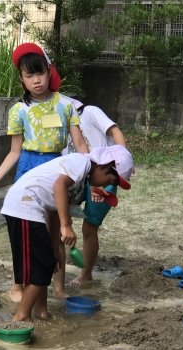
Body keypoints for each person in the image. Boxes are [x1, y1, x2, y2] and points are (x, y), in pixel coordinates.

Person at [0, 42, 89, 302]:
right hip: (27, 169)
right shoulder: (18, 110)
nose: (36, 80)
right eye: (29, 76)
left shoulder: (66, 105)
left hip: (57, 170)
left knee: (56, 231)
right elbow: (15, 152)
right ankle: (18, 285)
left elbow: (80, 145)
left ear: (49, 72)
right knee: (24, 232)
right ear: (22, 79)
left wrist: (90, 173)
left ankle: (58, 287)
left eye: (40, 73)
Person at [0, 145, 133, 321]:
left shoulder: (80, 180)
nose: (105, 186)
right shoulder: (81, 161)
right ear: (105, 165)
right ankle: (22, 316)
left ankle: (41, 312)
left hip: (30, 208)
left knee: (46, 262)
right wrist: (66, 225)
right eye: (109, 181)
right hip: (24, 205)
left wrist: (55, 249)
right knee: (39, 267)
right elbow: (59, 185)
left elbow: (54, 211)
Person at [51, 100, 130, 296]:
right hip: (78, 175)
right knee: (61, 218)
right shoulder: (60, 119)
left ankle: (86, 273)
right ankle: (58, 274)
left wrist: (122, 160)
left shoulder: (90, 112)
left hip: (105, 174)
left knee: (89, 227)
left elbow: (115, 131)